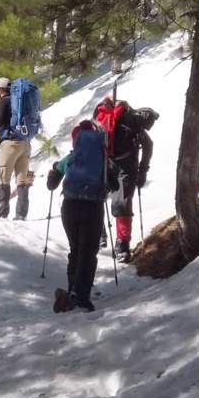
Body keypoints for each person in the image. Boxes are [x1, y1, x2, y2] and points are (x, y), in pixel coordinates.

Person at [47, 120, 119, 313]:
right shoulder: (103, 160)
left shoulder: (69, 159)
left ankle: (72, 292)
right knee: (88, 252)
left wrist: (53, 171)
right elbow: (115, 185)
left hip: (69, 207)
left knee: (76, 249)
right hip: (92, 207)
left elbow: (51, 185)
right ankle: (80, 296)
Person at [94, 95, 157, 262]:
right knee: (123, 203)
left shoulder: (105, 120)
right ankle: (122, 245)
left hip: (105, 162)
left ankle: (100, 235)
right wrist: (143, 169)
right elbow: (148, 146)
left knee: (97, 198)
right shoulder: (133, 122)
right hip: (127, 164)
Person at [0, 77, 35, 219]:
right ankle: (21, 215)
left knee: (4, 178)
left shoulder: (4, 101)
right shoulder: (21, 102)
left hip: (10, 144)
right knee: (22, 180)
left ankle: (2, 213)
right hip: (25, 143)